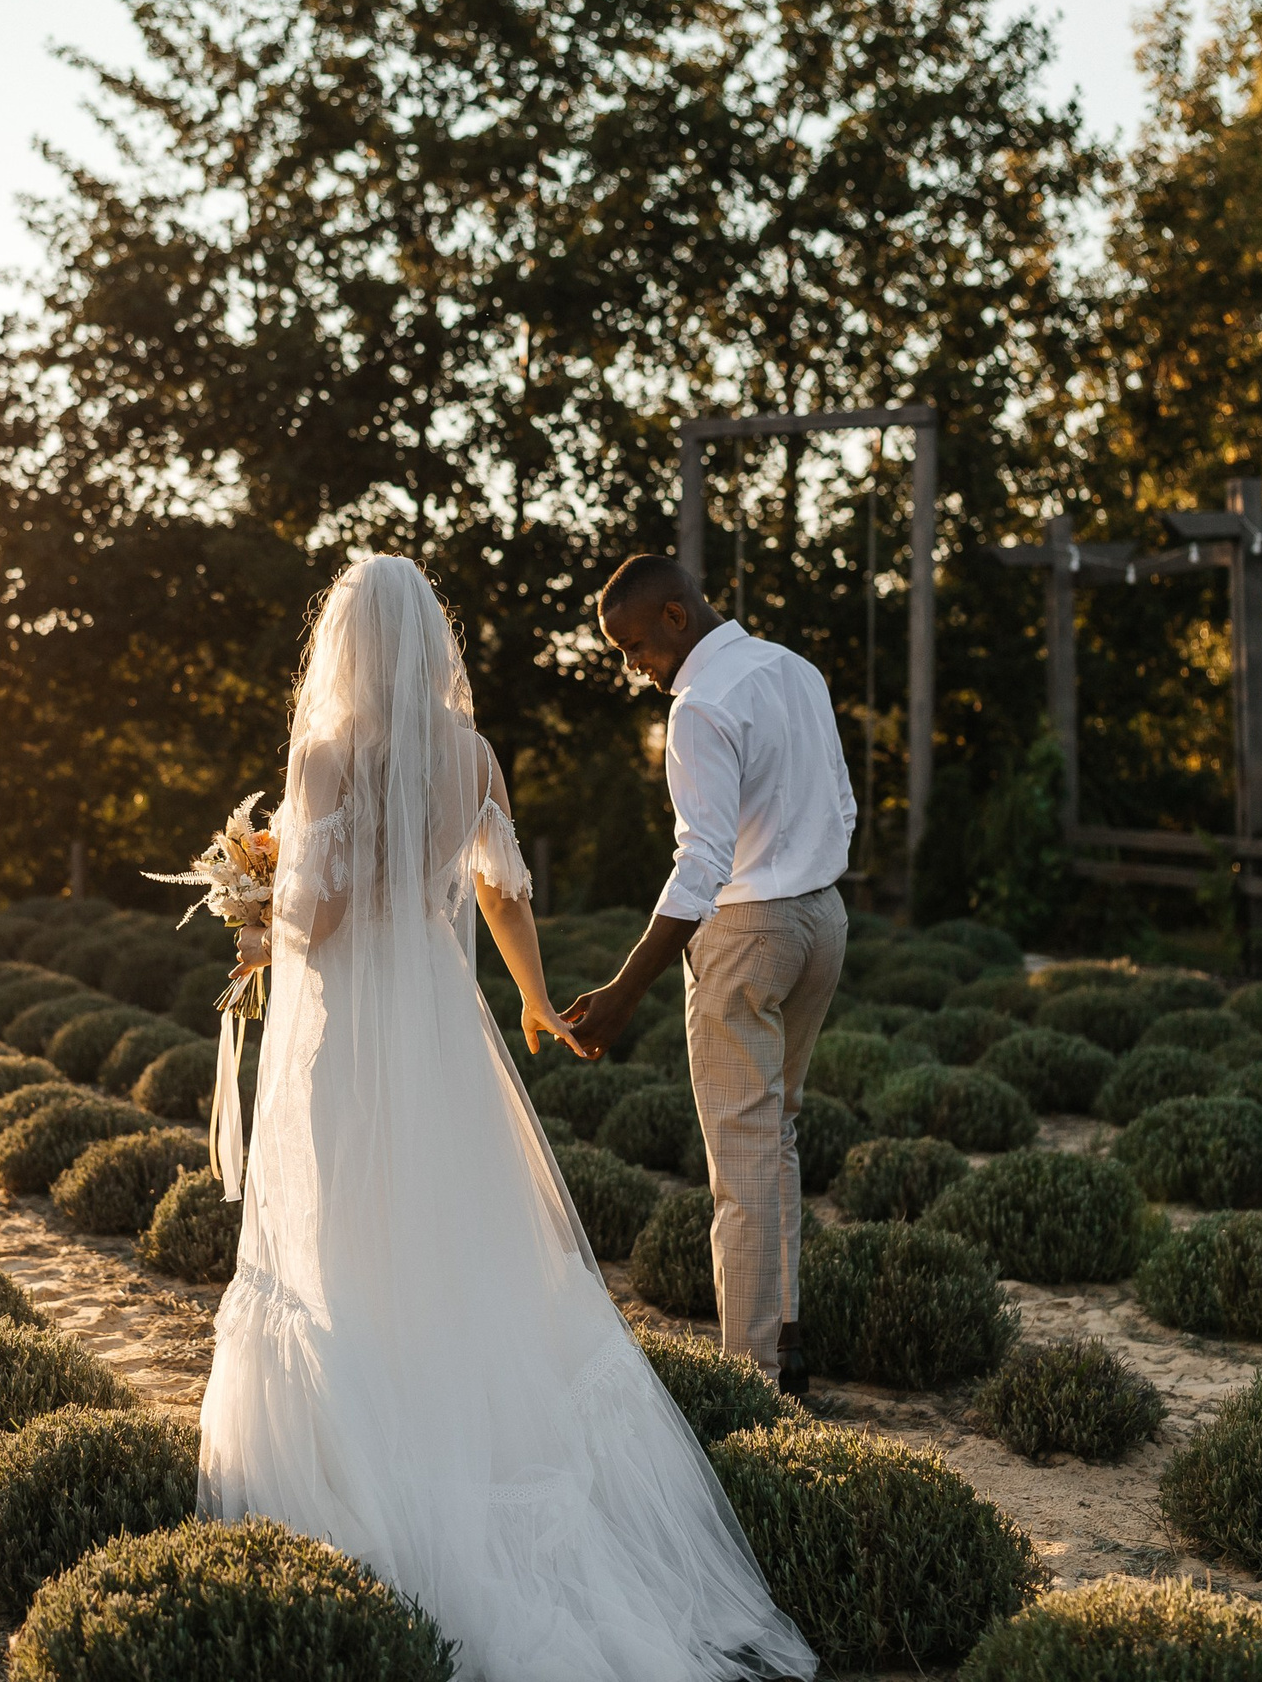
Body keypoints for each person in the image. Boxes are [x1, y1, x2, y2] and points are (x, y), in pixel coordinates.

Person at [204, 554, 815, 1682]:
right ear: (430, 644)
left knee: (352, 1239)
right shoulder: (469, 753)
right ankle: (476, 1435)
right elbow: (500, 889)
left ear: (345, 649)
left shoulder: (326, 755)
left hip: (356, 1034)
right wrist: (533, 1001)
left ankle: (380, 1467)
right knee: (460, 1232)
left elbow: (323, 916)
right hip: (442, 1025)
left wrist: (258, 912)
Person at [566, 555, 855, 1394]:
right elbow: (840, 804)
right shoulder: (795, 670)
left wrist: (624, 992)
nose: (633, 667)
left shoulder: (701, 706)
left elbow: (700, 865)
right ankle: (786, 1339)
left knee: (742, 1161)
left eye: (632, 647)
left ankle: (757, 1375)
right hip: (822, 921)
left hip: (750, 931)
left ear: (675, 618)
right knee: (777, 1135)